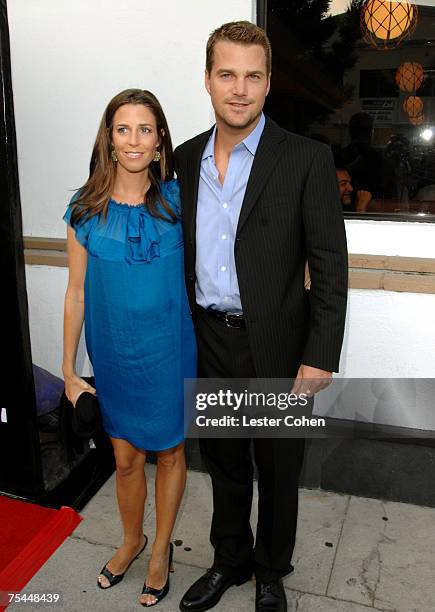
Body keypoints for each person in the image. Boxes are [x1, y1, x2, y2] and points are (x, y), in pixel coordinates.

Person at [175, 21, 348, 612]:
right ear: (207, 80)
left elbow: (329, 265)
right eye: (227, 74)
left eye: (253, 75)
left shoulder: (306, 159)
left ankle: (272, 569)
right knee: (222, 461)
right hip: (209, 339)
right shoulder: (183, 159)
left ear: (269, 83)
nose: (240, 88)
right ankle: (230, 560)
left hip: (278, 343)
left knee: (277, 468)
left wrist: (320, 354)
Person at [62, 88, 196, 607]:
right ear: (110, 140)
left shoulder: (180, 202)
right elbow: (75, 292)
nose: (134, 139)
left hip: (170, 351)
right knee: (123, 459)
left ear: (160, 139)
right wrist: (69, 367)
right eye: (124, 129)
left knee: (171, 450)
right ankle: (131, 538)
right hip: (115, 354)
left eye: (145, 129)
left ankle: (161, 548)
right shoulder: (84, 207)